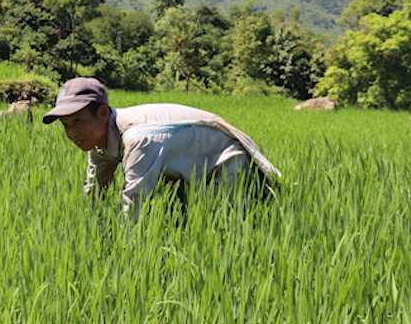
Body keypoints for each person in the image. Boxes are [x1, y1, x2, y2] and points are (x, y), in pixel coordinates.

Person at [42, 77, 281, 219]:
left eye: (78, 122)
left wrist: (122, 255)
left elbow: (134, 201)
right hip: (187, 163)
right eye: (66, 125)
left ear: (103, 114)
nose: (71, 133)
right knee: (178, 217)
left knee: (215, 228)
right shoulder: (97, 140)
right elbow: (95, 191)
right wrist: (91, 229)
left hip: (222, 161)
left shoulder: (139, 139)